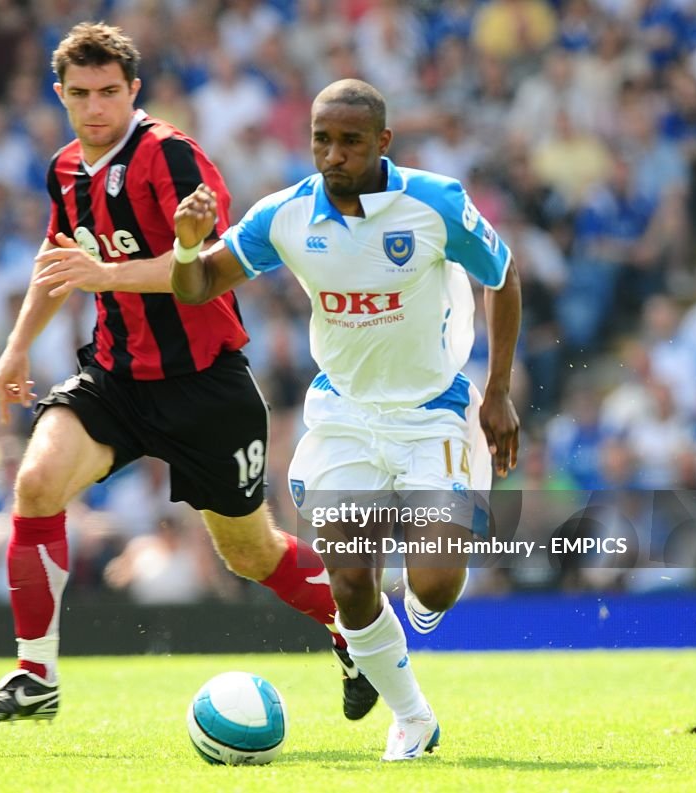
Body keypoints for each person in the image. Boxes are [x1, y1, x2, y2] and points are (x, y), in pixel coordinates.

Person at [0, 23, 377, 723]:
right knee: (36, 483)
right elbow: (57, 257)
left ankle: (356, 629)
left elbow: (206, 268)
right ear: (59, 94)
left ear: (133, 90)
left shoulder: (170, 156)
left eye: (108, 92)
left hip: (204, 384)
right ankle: (35, 674)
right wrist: (14, 348)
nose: (95, 107)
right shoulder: (65, 167)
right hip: (117, 379)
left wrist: (108, 272)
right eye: (80, 94)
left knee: (250, 554)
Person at [171, 78, 521, 760]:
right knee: (352, 579)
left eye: (350, 141)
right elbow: (200, 285)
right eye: (321, 141)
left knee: (434, 586)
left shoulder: (435, 203)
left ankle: (416, 604)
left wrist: (498, 390)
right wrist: (188, 245)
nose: (333, 155)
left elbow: (502, 275)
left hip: (433, 414)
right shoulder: (286, 214)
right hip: (344, 417)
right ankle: (414, 718)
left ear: (382, 142)